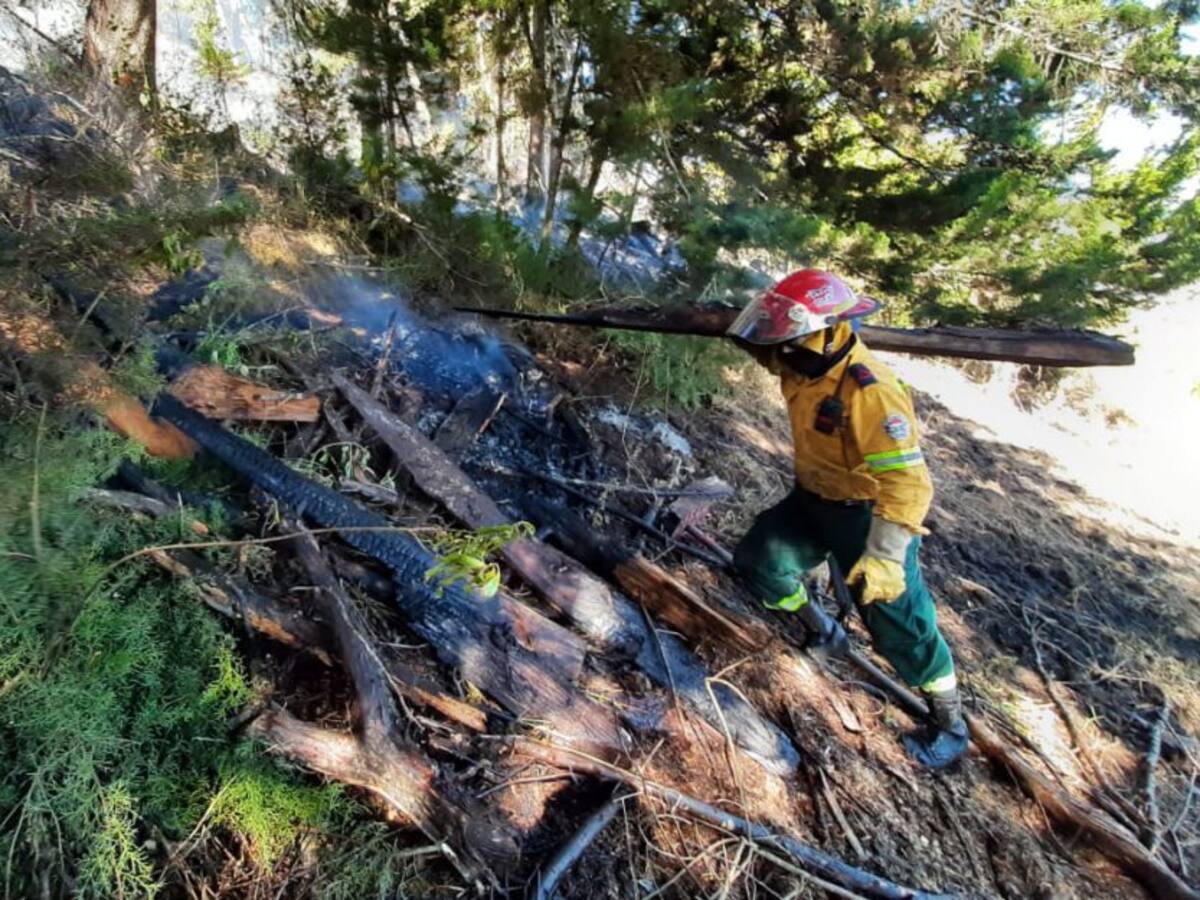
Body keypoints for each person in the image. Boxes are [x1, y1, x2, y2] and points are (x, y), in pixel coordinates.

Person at [728, 269, 968, 769]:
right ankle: (822, 631)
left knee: (901, 624)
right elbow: (761, 344)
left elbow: (909, 484)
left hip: (868, 519)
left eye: (790, 335)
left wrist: (885, 556)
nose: (781, 349)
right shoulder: (800, 359)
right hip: (812, 500)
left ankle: (950, 723)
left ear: (830, 329)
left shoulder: (870, 391)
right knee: (759, 561)